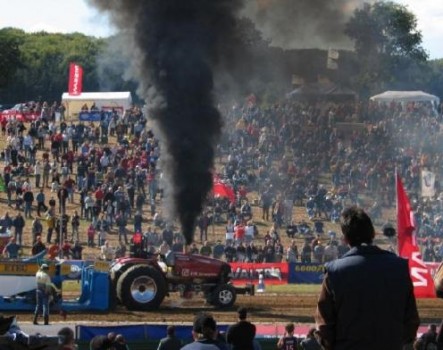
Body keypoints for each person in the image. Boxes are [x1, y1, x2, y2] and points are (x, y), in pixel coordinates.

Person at [316, 206, 420, 350]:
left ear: (345, 239)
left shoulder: (335, 272)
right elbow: (411, 321)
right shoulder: (399, 267)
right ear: (372, 234)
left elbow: (324, 326)